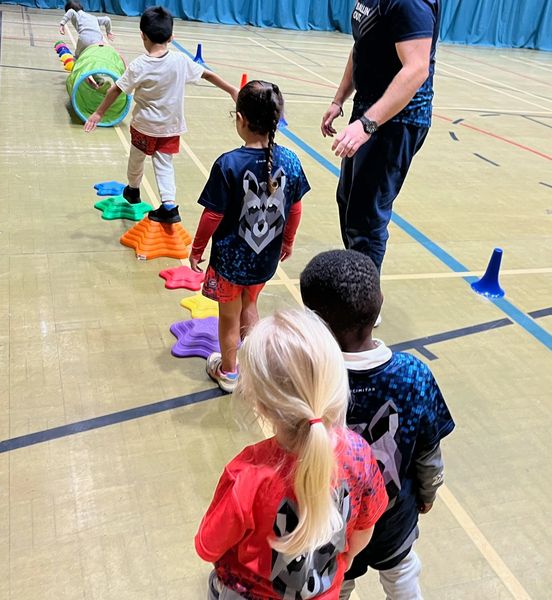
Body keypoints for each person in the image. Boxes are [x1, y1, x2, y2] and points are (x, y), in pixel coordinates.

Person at [195, 309, 389, 599]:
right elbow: (365, 526)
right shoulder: (359, 453)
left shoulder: (246, 475)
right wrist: (344, 563)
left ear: (259, 403)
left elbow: (208, 546)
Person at [300, 249, 455, 600]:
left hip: (333, 520)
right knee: (402, 575)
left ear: (314, 320)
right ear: (380, 304)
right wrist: (428, 493)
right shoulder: (414, 375)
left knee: (335, 581)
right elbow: (429, 450)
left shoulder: (310, 376)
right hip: (393, 514)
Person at [189, 81, 310, 392]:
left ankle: (229, 372)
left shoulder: (228, 163)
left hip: (230, 263)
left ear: (241, 119)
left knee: (228, 318)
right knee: (250, 305)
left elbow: (212, 215)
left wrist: (197, 249)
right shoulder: (292, 161)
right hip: (264, 259)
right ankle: (255, 368)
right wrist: (288, 241)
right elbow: (295, 209)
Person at [84, 6, 238, 224]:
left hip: (144, 127)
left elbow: (116, 89)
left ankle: (133, 190)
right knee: (164, 165)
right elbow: (207, 75)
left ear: (143, 36)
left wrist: (98, 113)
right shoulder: (181, 61)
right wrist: (232, 89)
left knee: (136, 159)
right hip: (170, 127)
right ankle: (169, 206)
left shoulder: (139, 65)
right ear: (172, 36)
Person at [320, 0, 440, 275]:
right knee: (348, 202)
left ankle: (364, 305)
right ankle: (357, 283)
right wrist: (339, 99)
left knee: (366, 218)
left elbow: (417, 69)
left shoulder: (411, 4)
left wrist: (366, 125)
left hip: (397, 120)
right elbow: (362, 44)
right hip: (368, 110)